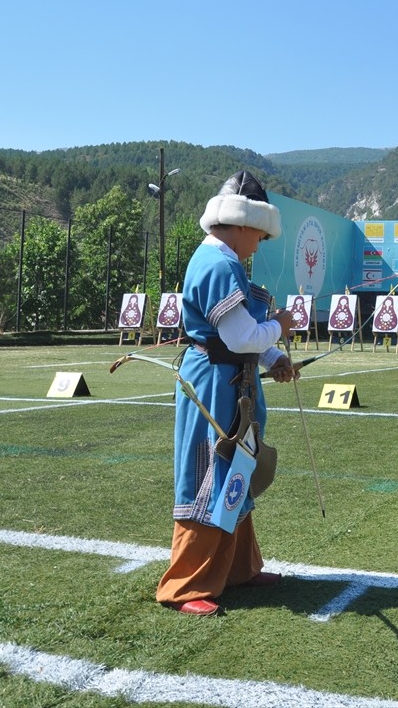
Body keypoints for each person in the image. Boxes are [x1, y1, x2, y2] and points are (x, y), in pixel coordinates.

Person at [155, 170, 300, 617]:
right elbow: (238, 336)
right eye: (258, 233)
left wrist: (273, 357)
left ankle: (239, 568)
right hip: (214, 382)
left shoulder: (225, 261)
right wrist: (282, 326)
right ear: (240, 223)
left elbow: (239, 337)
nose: (259, 243)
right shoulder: (217, 263)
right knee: (206, 474)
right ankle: (182, 586)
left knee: (236, 469)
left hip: (230, 376)